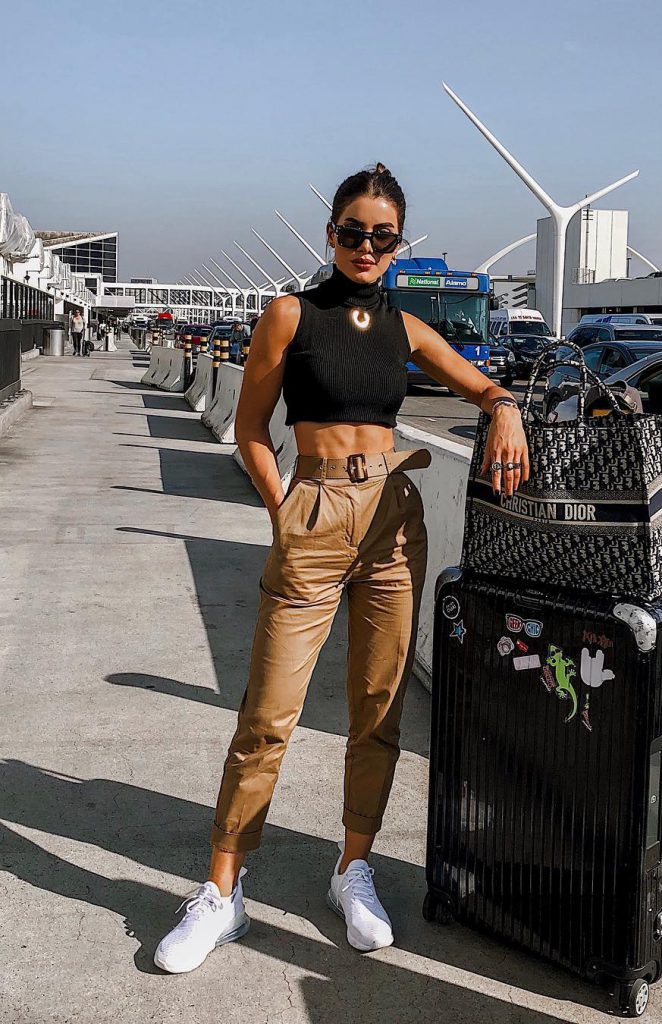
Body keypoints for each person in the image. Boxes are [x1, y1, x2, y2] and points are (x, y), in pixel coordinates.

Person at [153, 163, 529, 974]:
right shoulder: (290, 314)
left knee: (377, 711)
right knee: (268, 715)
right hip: (316, 514)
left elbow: (486, 386)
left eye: (382, 235)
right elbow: (252, 423)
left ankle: (350, 870)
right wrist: (281, 506)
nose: (366, 246)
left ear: (399, 245)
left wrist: (504, 410)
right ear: (331, 235)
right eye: (353, 232)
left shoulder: (407, 329)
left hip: (394, 522)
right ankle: (222, 893)